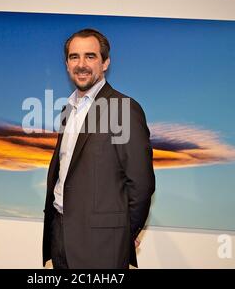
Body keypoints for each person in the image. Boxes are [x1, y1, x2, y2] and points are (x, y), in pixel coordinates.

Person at [42, 28, 155, 269]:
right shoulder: (67, 110)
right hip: (59, 236)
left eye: (90, 56)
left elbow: (141, 184)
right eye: (74, 57)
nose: (81, 64)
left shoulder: (122, 108)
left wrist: (121, 236)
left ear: (105, 63)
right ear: (66, 64)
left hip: (102, 245)